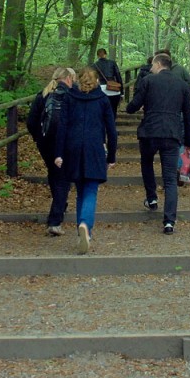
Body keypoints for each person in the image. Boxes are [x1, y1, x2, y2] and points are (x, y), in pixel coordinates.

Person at [124, 52, 190, 235]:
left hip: (149, 132)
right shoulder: (182, 86)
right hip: (172, 134)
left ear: (159, 64)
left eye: (153, 65)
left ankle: (152, 198)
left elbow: (133, 106)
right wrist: (189, 142)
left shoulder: (148, 81)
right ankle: (169, 221)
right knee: (170, 178)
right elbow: (188, 116)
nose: (151, 68)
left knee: (147, 163)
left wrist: (130, 107)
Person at [54, 66, 117, 254]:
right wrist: (111, 156)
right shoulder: (103, 100)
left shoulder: (69, 98)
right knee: (91, 190)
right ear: (97, 81)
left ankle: (84, 232)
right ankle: (85, 225)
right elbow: (112, 131)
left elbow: (62, 126)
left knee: (81, 190)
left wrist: (59, 153)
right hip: (94, 149)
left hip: (72, 149)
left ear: (78, 80)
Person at [27, 67, 75, 236]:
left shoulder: (43, 95)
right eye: (73, 78)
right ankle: (55, 220)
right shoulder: (72, 95)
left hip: (46, 143)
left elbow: (31, 122)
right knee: (63, 179)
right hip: (66, 143)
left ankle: (60, 205)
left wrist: (39, 139)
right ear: (68, 79)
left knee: (54, 173)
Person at [92, 47, 124, 115]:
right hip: (114, 90)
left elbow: (92, 80)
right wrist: (121, 91)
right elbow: (118, 77)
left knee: (101, 112)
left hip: (101, 90)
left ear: (97, 56)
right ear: (106, 54)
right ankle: (112, 124)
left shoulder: (94, 65)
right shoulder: (112, 63)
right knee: (113, 111)